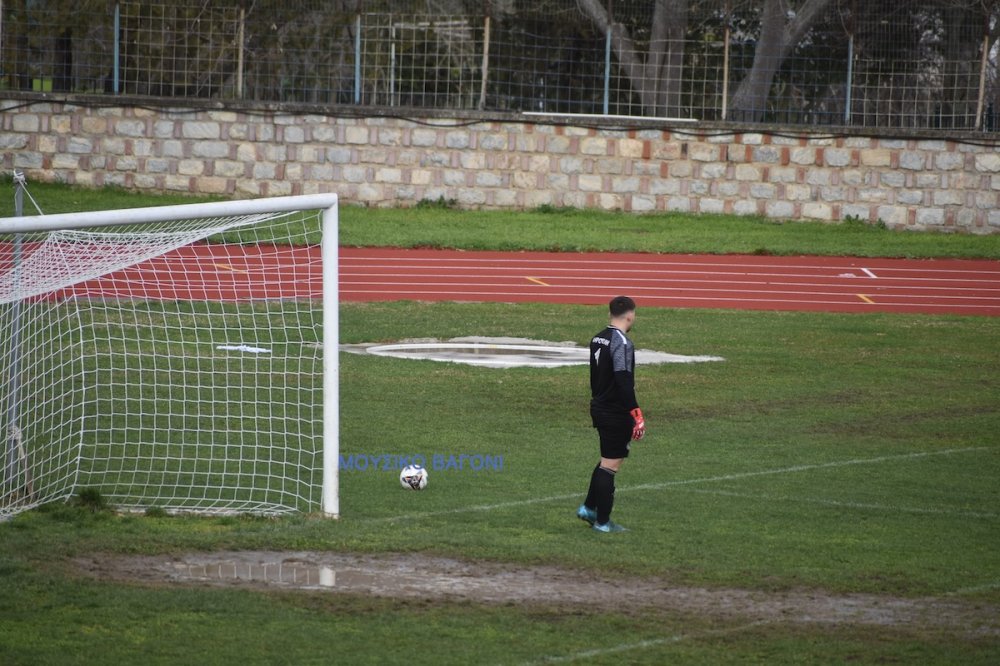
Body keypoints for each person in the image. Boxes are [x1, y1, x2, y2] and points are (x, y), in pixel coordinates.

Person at [577, 295, 645, 533]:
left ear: (610, 314)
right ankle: (603, 523)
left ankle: (589, 507)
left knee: (607, 459)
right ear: (630, 315)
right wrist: (636, 413)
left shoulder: (598, 337)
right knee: (610, 465)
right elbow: (623, 380)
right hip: (615, 411)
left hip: (599, 405)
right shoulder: (622, 342)